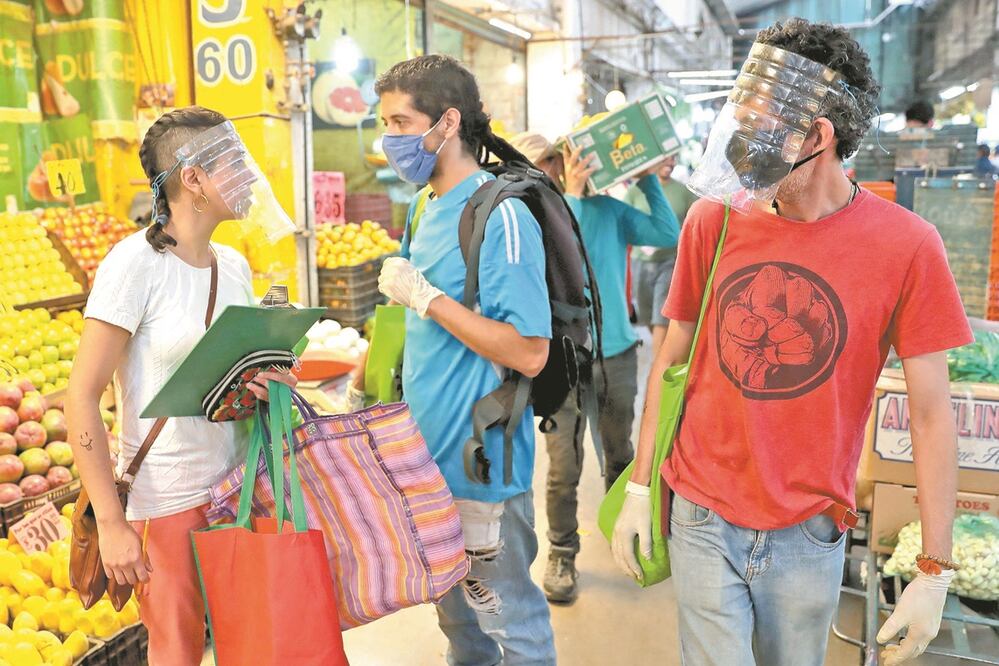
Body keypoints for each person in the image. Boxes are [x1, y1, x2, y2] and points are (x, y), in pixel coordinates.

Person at [612, 19, 973, 666]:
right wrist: (641, 486)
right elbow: (669, 356)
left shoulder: (907, 247)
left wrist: (933, 567)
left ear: (815, 136)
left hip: (808, 529)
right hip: (698, 513)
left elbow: (930, 414)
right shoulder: (713, 219)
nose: (736, 145)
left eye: (752, 125)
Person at [66, 106, 297, 665]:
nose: (249, 173)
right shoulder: (133, 265)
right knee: (177, 651)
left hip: (238, 491)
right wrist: (114, 521)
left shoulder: (235, 265)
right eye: (235, 162)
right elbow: (81, 397)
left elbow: (226, 380)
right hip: (166, 502)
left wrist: (262, 383)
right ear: (192, 179)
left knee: (253, 645)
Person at [368, 55, 556, 664]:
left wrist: (427, 298)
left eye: (401, 122)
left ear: (447, 122)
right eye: (384, 123)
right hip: (428, 466)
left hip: (483, 470)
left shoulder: (499, 214)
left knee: (513, 628)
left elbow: (529, 351)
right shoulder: (425, 207)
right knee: (461, 630)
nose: (390, 138)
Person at [509, 131, 679, 603]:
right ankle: (562, 552)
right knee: (563, 465)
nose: (551, 171)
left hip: (616, 354)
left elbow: (668, 235)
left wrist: (647, 181)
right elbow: (569, 254)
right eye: (540, 164)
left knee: (620, 453)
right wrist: (576, 200)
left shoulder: (607, 210)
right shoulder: (532, 218)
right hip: (561, 359)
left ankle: (624, 529)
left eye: (555, 161)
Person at [624, 155, 698, 352]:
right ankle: (662, 353)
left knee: (660, 316)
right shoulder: (635, 191)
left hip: (670, 261)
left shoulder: (684, 192)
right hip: (640, 262)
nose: (671, 163)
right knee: (648, 315)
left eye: (674, 158)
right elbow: (625, 223)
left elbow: (695, 224)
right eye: (666, 159)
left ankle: (658, 364)